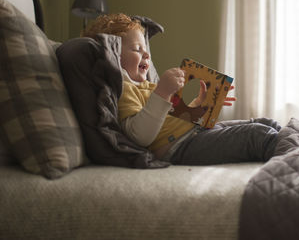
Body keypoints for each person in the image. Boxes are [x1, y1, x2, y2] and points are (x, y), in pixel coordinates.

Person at [82, 13, 281, 165]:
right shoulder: (124, 88)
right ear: (114, 56)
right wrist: (162, 93)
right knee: (258, 135)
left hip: (194, 133)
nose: (146, 56)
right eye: (136, 49)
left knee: (266, 122)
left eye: (146, 50)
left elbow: (173, 118)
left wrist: (199, 104)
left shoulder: (148, 86)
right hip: (179, 147)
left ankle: (298, 144)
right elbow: (140, 136)